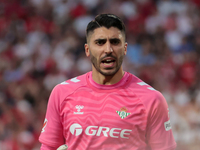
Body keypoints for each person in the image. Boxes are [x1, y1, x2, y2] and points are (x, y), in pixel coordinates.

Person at [39, 14, 177, 150]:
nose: (108, 49)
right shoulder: (62, 93)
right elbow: (49, 147)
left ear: (125, 49)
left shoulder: (151, 99)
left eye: (115, 42)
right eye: (100, 42)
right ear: (87, 50)